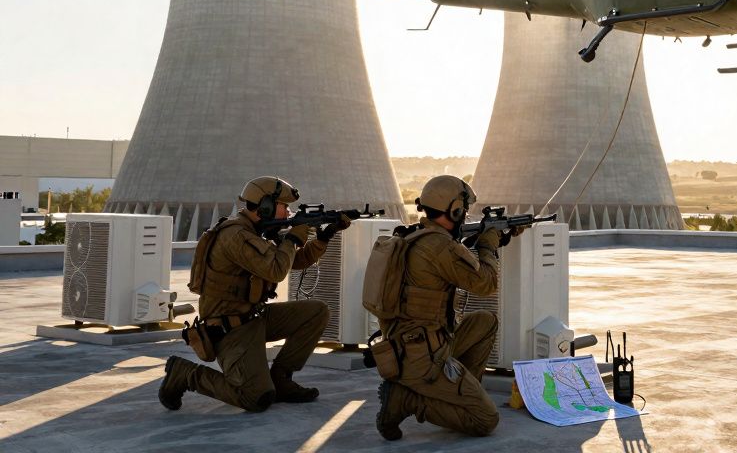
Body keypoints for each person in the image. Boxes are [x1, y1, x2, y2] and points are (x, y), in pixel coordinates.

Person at [158, 176, 350, 412]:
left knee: (317, 312)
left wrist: (324, 237)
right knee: (254, 397)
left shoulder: (256, 232)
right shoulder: (236, 236)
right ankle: (185, 374)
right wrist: (292, 237)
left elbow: (295, 261)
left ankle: (281, 379)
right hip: (231, 329)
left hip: (254, 317)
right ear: (265, 206)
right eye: (283, 206)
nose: (288, 212)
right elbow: (276, 269)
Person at [373, 175, 519, 441]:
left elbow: (453, 259)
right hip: (422, 356)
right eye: (462, 210)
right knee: (485, 420)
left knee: (485, 321)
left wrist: (496, 240)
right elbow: (486, 283)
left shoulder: (418, 236)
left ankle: (456, 395)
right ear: (454, 209)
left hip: (416, 343)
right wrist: (488, 244)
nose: (464, 216)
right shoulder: (439, 246)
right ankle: (405, 400)